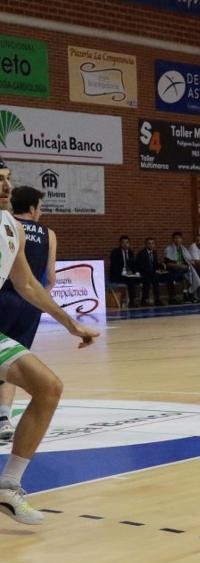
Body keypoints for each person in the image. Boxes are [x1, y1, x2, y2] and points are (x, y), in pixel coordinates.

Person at [0, 160, 99, 522]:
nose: (6, 186)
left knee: (49, 388)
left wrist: (71, 323)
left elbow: (28, 284)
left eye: (8, 180)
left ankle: (8, 487)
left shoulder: (13, 228)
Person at [0, 185, 55, 442]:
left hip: (5, 297)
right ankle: (3, 418)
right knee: (13, 361)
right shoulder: (48, 234)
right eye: (40, 208)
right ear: (33, 208)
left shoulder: (7, 225)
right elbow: (50, 278)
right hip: (29, 305)